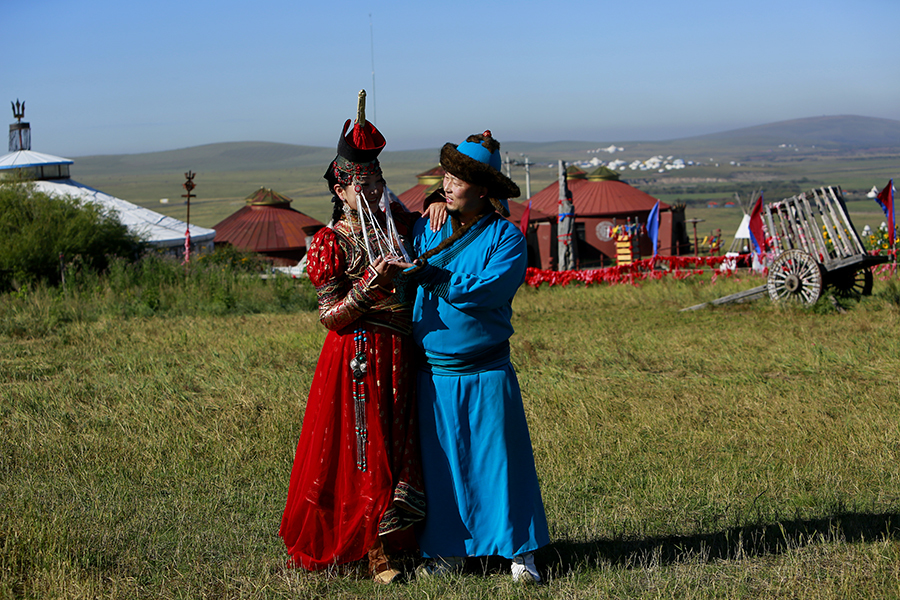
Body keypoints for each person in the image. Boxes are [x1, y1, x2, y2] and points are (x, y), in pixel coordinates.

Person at [279, 92, 443, 583]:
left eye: (377, 182)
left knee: (400, 443)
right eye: (361, 185)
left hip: (400, 352)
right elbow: (331, 317)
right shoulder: (331, 241)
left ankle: (401, 538)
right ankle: (375, 550)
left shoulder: (400, 228)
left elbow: (429, 233)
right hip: (357, 357)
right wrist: (370, 286)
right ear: (342, 190)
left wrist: (434, 201)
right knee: (363, 447)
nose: (372, 192)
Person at [400, 130, 550, 583]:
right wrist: (431, 202)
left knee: (500, 463)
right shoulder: (427, 224)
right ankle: (448, 551)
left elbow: (486, 291)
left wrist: (433, 277)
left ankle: (520, 553)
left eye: (457, 179)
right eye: (443, 177)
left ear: (483, 189)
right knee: (443, 465)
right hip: (434, 374)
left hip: (486, 372)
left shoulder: (507, 238)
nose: (446, 185)